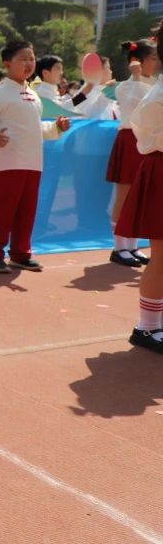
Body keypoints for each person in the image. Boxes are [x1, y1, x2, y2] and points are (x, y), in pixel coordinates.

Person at [0, 41, 70, 273]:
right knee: (2, 210)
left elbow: (35, 127)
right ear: (7, 64)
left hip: (33, 161)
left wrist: (56, 127)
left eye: (31, 58)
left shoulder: (32, 94)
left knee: (26, 210)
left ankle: (20, 253)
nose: (29, 63)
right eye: (23, 59)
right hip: (7, 162)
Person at [116, 20, 163, 354]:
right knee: (161, 255)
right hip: (161, 167)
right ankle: (146, 328)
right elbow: (142, 129)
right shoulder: (154, 94)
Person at [107, 39, 158, 267]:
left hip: (149, 143)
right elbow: (135, 105)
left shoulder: (157, 82)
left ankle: (133, 245)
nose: (157, 62)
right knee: (125, 194)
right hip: (129, 140)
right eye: (153, 58)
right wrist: (136, 77)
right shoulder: (125, 85)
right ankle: (119, 247)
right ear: (137, 61)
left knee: (140, 195)